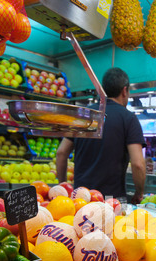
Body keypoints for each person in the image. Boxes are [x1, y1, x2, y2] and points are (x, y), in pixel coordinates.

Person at [56, 67, 146, 204]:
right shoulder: (129, 119)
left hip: (81, 198)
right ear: (124, 90)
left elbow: (61, 152)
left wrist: (63, 187)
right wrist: (139, 193)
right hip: (111, 201)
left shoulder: (83, 115)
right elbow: (138, 164)